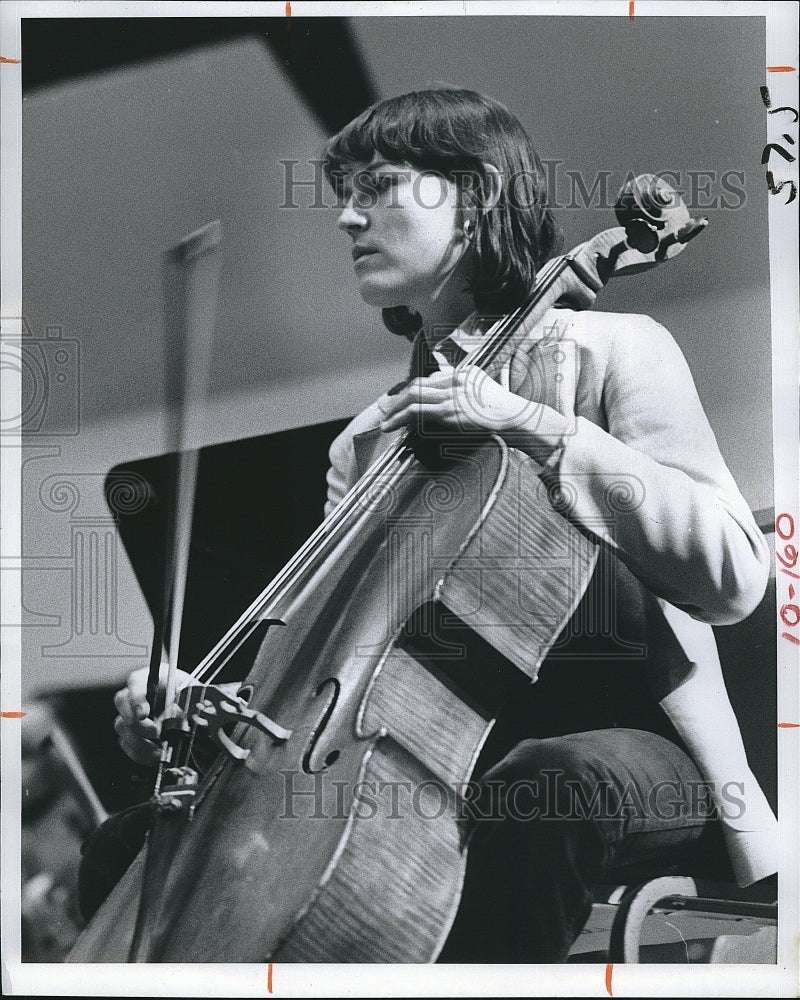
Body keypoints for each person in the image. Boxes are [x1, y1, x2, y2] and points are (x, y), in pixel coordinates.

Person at [108, 88, 776, 963]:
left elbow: (734, 577)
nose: (347, 216)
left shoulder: (617, 351)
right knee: (132, 845)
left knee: (539, 785)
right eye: (345, 193)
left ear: (477, 197)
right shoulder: (369, 442)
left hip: (634, 752)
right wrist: (198, 711)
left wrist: (535, 426)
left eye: (379, 185)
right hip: (426, 763)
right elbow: (331, 662)